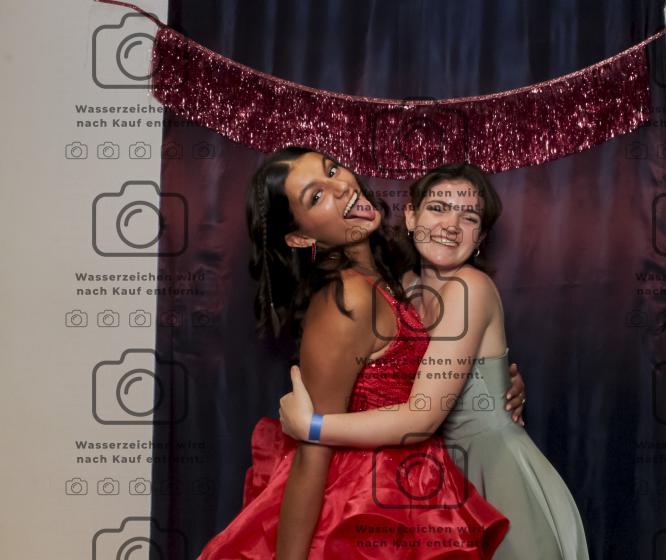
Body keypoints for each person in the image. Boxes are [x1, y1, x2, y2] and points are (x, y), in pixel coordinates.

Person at [197, 148, 511, 559]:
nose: (341, 186)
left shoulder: (392, 274)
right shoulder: (347, 299)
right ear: (301, 238)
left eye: (332, 170)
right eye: (316, 196)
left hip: (412, 488)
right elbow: (311, 453)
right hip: (357, 508)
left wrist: (496, 384)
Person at [279, 163, 590, 559]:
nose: (451, 226)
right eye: (439, 208)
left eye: (469, 217)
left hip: (494, 473)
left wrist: (312, 426)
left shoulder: (470, 288)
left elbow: (422, 416)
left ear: (480, 238)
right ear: (411, 216)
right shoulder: (403, 288)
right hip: (437, 475)